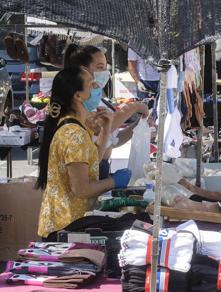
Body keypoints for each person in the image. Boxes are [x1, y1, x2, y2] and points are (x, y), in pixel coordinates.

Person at [36, 67, 132, 240]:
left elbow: (93, 159)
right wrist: (113, 181)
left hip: (70, 224)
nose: (97, 88)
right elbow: (81, 189)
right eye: (91, 84)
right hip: (65, 227)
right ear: (78, 95)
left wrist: (106, 128)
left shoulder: (77, 127)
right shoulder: (74, 134)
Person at [64, 44, 150, 178]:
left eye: (105, 67)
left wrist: (137, 126)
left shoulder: (96, 97)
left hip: (102, 165)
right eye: (100, 68)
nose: (105, 72)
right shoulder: (79, 98)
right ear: (83, 70)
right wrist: (133, 107)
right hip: (87, 168)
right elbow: (101, 126)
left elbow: (112, 139)